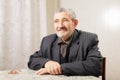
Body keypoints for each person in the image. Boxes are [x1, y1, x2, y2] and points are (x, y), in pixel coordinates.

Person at [28, 8, 103, 77]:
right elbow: (32, 60)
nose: (60, 25)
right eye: (56, 21)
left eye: (65, 20)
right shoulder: (47, 40)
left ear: (75, 23)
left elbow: (96, 66)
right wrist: (47, 63)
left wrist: (60, 68)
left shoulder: (89, 39)